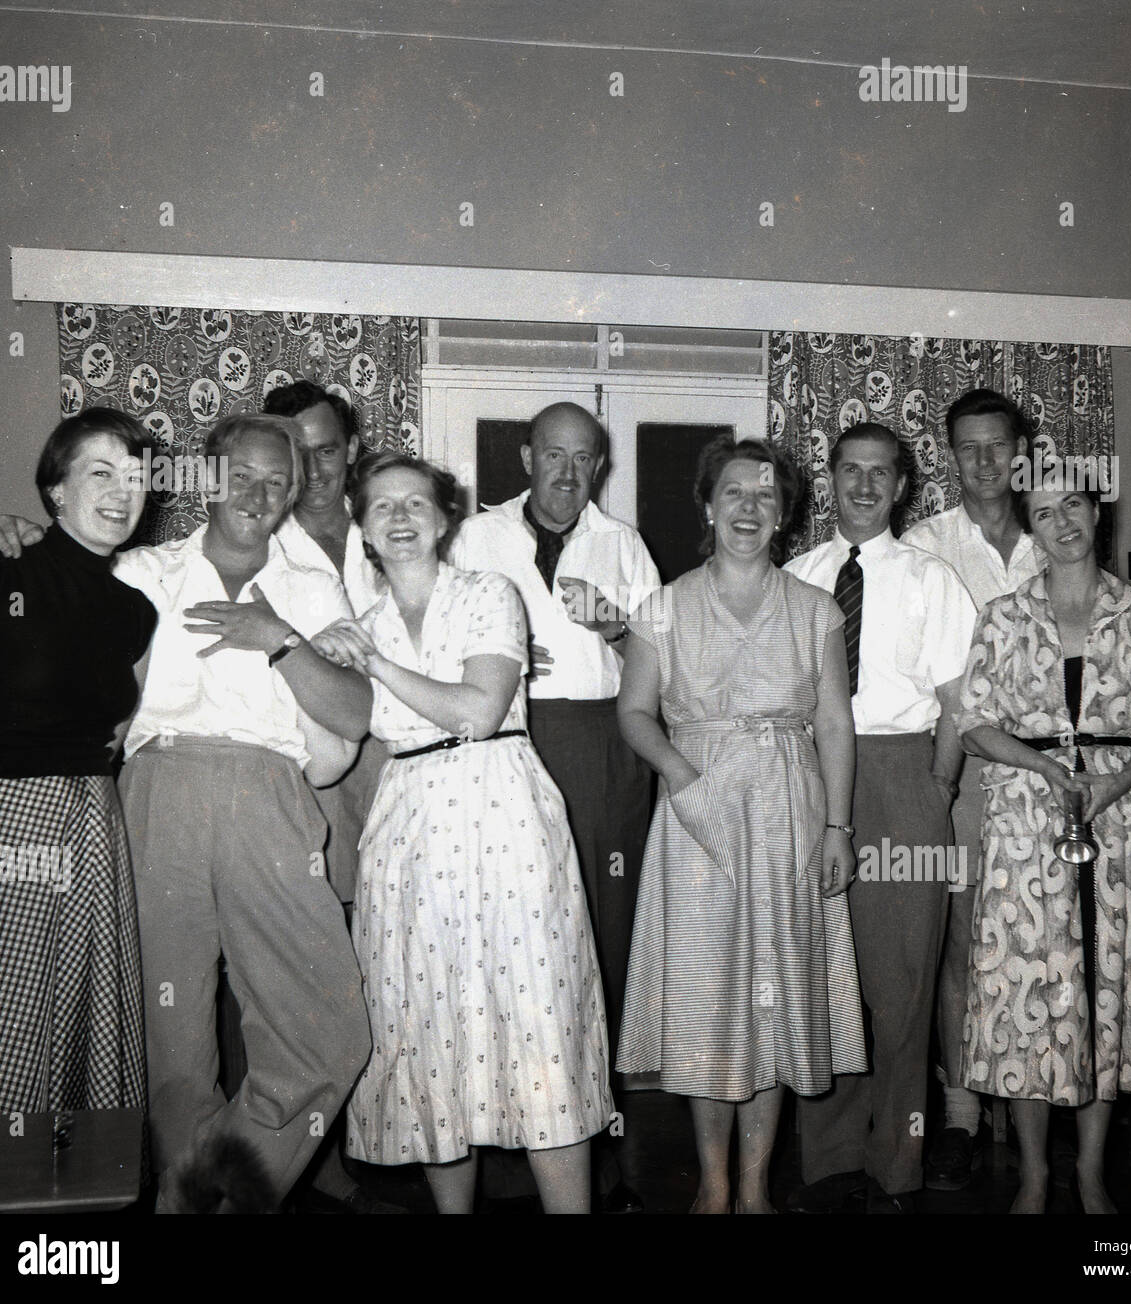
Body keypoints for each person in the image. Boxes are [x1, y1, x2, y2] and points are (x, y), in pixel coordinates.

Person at [312, 451, 613, 1214]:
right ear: (364, 530)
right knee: (424, 1024)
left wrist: (372, 664)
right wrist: (303, 657)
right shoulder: (354, 628)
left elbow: (478, 712)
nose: (402, 517)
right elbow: (332, 753)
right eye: (383, 507)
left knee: (538, 1016)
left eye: (418, 503)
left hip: (503, 807)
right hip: (407, 825)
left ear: (447, 519)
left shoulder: (490, 594)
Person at [114, 413, 373, 1210]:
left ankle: (204, 1193)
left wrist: (279, 639)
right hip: (159, 797)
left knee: (331, 1033)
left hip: (270, 798)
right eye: (244, 475)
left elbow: (353, 715)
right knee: (176, 1047)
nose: (261, 493)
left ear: (297, 491)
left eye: (280, 481)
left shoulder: (309, 586)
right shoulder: (141, 571)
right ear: (209, 477)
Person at [616, 435, 865, 1214]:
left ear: (784, 514)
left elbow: (833, 724)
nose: (749, 509)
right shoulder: (663, 607)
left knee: (774, 1001)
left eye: (766, 496)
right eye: (734, 493)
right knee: (705, 1000)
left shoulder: (816, 609)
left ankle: (755, 1186)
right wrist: (687, 780)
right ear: (708, 504)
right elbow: (633, 711)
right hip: (696, 813)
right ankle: (713, 1185)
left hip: (790, 811)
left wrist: (837, 830)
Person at [955, 475, 1131, 1214]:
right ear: (1030, 526)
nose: (1061, 522)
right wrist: (1041, 765)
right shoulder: (1002, 615)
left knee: (1107, 991)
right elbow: (974, 719)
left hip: (1122, 826)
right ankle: (1032, 1173)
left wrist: (1111, 785)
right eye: (1043, 512)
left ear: (1098, 513)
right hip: (1028, 827)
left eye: (1073, 506)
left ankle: (1089, 1170)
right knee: (1031, 992)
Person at [447, 401, 659, 1211]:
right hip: (502, 746)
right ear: (527, 458)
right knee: (503, 948)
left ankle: (599, 1161)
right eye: (554, 456)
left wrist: (615, 631)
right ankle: (503, 1150)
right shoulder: (476, 537)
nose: (569, 474)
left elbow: (666, 663)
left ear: (599, 469)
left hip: (599, 747)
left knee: (597, 946)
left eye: (585, 460)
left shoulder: (625, 545)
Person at [785, 422, 976, 1214]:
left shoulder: (933, 578)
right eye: (851, 470)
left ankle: (897, 1164)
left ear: (902, 487)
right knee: (822, 977)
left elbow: (960, 703)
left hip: (903, 779)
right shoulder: (795, 575)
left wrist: (935, 787)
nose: (865, 485)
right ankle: (827, 1162)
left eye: (882, 474)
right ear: (831, 479)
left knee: (903, 987)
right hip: (811, 782)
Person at [0, 409, 156, 1117]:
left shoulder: (137, 612)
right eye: (100, 472)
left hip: (90, 834)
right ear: (55, 488)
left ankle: (58, 1209)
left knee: (73, 1042)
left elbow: (113, 736)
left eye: (136, 478)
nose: (121, 491)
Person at [901, 388, 1043, 1189]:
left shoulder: (1056, 534)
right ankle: (959, 1111)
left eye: (999, 446)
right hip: (960, 770)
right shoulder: (925, 545)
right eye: (969, 448)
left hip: (1048, 770)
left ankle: (1031, 1104)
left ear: (1021, 452)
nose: (985, 462)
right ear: (950, 456)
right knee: (959, 940)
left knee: (1036, 941)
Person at [263, 378, 396, 1213]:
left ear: (351, 451)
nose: (314, 467)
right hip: (300, 771)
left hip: (390, 768)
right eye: (296, 450)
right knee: (292, 972)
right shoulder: (254, 542)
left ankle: (369, 1144)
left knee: (377, 961)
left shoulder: (389, 528)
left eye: (329, 447)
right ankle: (296, 1162)